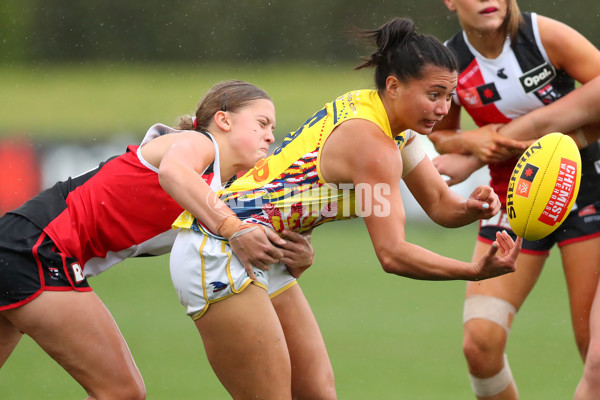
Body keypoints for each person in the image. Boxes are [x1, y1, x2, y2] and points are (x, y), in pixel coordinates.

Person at [169, 17, 523, 400]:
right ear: (393, 86)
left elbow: (440, 205)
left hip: (263, 252)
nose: (443, 108)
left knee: (319, 393)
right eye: (434, 94)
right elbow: (393, 254)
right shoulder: (373, 145)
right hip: (218, 248)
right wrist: (473, 271)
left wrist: (472, 208)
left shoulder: (386, 121)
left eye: (449, 96)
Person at [0, 80, 315, 399]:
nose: (271, 136)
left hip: (22, 247)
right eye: (261, 123)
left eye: (272, 128)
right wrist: (233, 229)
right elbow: (173, 173)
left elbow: (259, 241)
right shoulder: (198, 144)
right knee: (121, 391)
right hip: (36, 248)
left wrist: (296, 257)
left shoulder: (226, 190)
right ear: (224, 120)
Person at [429, 1, 600, 398]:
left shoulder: (542, 35)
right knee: (480, 345)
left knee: (590, 348)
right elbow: (439, 132)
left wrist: (484, 150)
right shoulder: (446, 60)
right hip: (512, 201)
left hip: (584, 190)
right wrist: (466, 140)